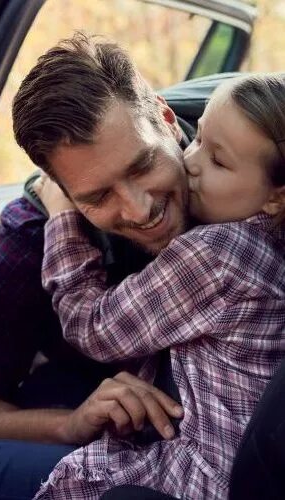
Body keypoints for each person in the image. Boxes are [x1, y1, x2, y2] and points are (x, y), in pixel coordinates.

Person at [0, 33, 209, 499]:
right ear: (57, 190)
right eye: (98, 197)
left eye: (143, 166)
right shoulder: (39, 231)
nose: (140, 210)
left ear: (165, 119)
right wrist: (73, 422)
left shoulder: (245, 167)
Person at [31, 72, 285, 499]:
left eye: (219, 161)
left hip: (201, 475)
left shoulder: (215, 253)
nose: (191, 162)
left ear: (276, 197)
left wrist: (61, 218)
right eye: (199, 137)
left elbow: (95, 329)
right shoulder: (264, 245)